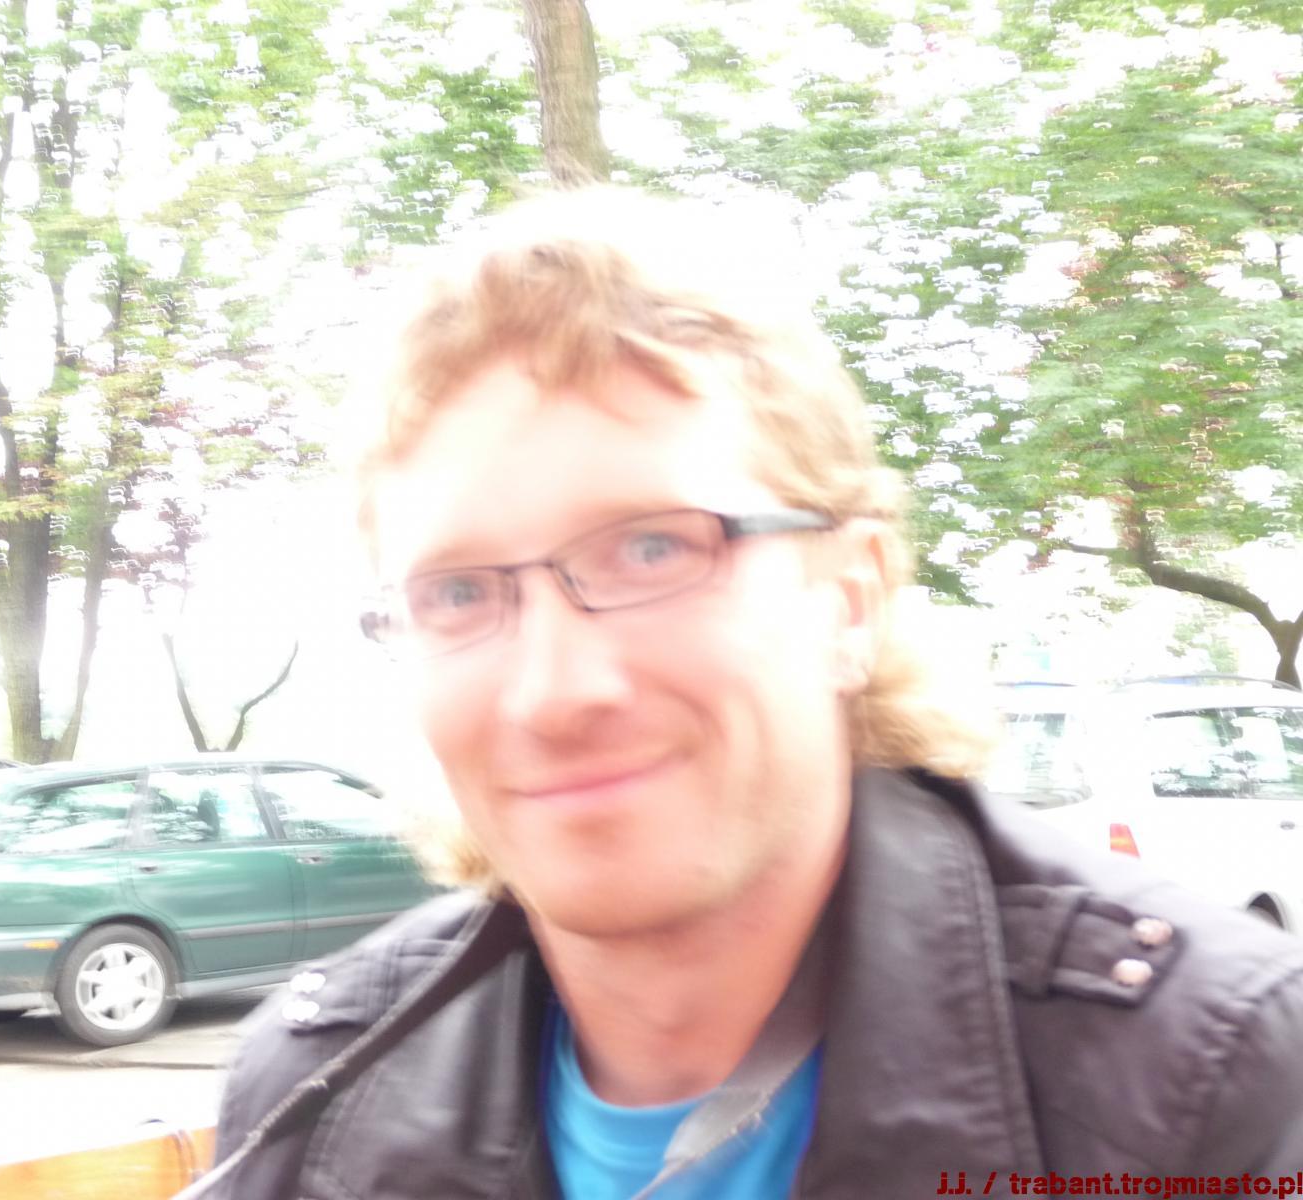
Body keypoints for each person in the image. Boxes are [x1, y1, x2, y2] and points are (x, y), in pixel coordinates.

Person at [198, 188, 1303, 1199]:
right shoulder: (311, 1096)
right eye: (457, 593)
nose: (552, 692)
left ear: (850, 599)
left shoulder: (1209, 1084)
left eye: (651, 549)